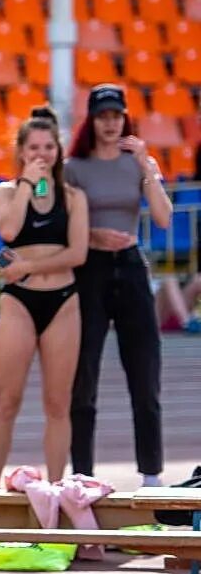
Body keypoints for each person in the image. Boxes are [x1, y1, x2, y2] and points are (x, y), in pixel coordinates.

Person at [64, 84, 174, 487]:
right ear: (91, 120)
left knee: (144, 372)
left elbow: (163, 216)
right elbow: (59, 216)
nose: (110, 123)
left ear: (125, 118)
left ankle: (151, 473)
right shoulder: (74, 166)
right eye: (102, 116)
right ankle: (82, 474)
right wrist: (91, 235)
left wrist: (146, 166)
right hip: (89, 269)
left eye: (116, 116)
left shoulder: (138, 163)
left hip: (129, 267)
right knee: (84, 374)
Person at [0, 106, 90, 488]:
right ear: (21, 152)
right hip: (19, 303)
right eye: (34, 148)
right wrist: (28, 184)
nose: (42, 154)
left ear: (59, 150)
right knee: (7, 400)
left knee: (58, 404)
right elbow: (10, 231)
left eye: (49, 146)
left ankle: (58, 489)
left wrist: (30, 265)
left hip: (62, 301)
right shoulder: (7, 193)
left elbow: (78, 254)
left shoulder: (74, 197)